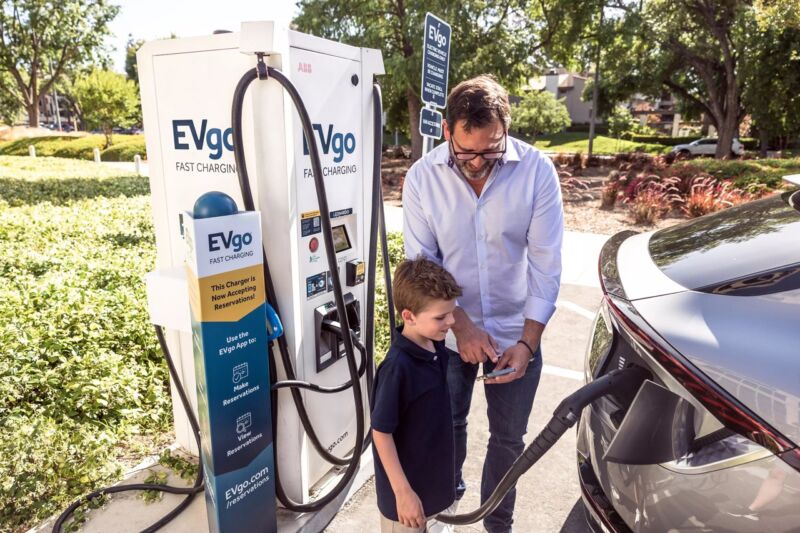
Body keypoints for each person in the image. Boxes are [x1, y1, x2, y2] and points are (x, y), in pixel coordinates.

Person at [402, 74, 564, 533]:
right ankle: (448, 509)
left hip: (517, 332)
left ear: (505, 130)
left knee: (509, 439)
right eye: (466, 151)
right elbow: (423, 265)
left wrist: (528, 343)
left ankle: (498, 525)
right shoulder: (421, 178)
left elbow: (547, 264)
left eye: (491, 150)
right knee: (447, 426)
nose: (477, 163)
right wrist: (463, 327)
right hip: (448, 334)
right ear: (447, 130)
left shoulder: (536, 171)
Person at [371, 257, 463, 532]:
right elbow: (380, 432)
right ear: (408, 316)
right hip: (406, 505)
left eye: (452, 312)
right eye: (440, 317)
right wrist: (403, 494)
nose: (451, 321)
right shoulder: (398, 368)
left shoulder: (436, 347)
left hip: (433, 494)